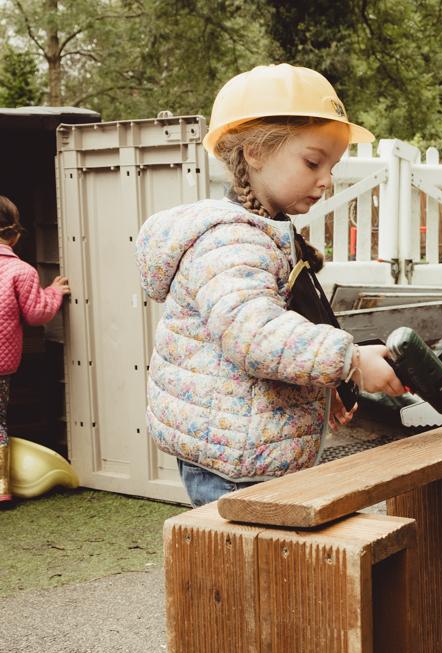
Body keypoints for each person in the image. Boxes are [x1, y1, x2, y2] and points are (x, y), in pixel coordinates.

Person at [135, 64, 405, 507]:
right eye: (313, 161)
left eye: (332, 166)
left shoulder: (268, 231)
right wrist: (350, 361)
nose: (326, 180)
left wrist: (322, 385)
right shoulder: (230, 241)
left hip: (257, 449)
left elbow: (284, 330)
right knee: (251, 571)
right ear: (256, 152)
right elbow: (255, 334)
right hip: (236, 466)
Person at [0, 195, 70, 503]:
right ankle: (1, 487)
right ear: (14, 235)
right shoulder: (21, 271)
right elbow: (36, 313)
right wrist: (54, 292)